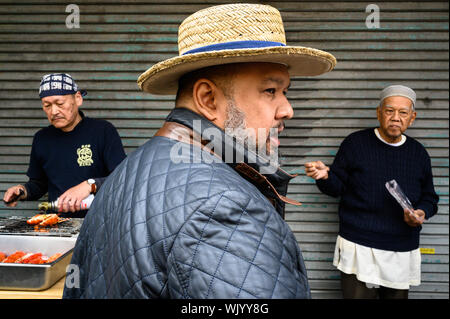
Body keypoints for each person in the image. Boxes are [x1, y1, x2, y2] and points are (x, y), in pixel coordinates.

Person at [63, 3, 336, 298]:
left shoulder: (126, 171)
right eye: (270, 91)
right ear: (207, 99)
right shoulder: (226, 208)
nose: (288, 110)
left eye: (285, 92)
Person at [305, 85, 439, 299]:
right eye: (389, 111)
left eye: (403, 113)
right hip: (359, 245)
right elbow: (336, 187)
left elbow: (430, 198)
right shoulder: (355, 143)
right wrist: (326, 177)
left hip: (401, 247)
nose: (396, 117)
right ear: (379, 113)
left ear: (412, 118)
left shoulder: (419, 153)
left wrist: (422, 212)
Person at [2, 73, 126, 217]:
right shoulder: (42, 138)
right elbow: (39, 184)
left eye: (60, 103)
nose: (54, 111)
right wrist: (22, 191)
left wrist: (89, 185)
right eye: (47, 105)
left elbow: (122, 178)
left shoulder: (103, 131)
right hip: (57, 223)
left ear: (78, 98)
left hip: (99, 221)